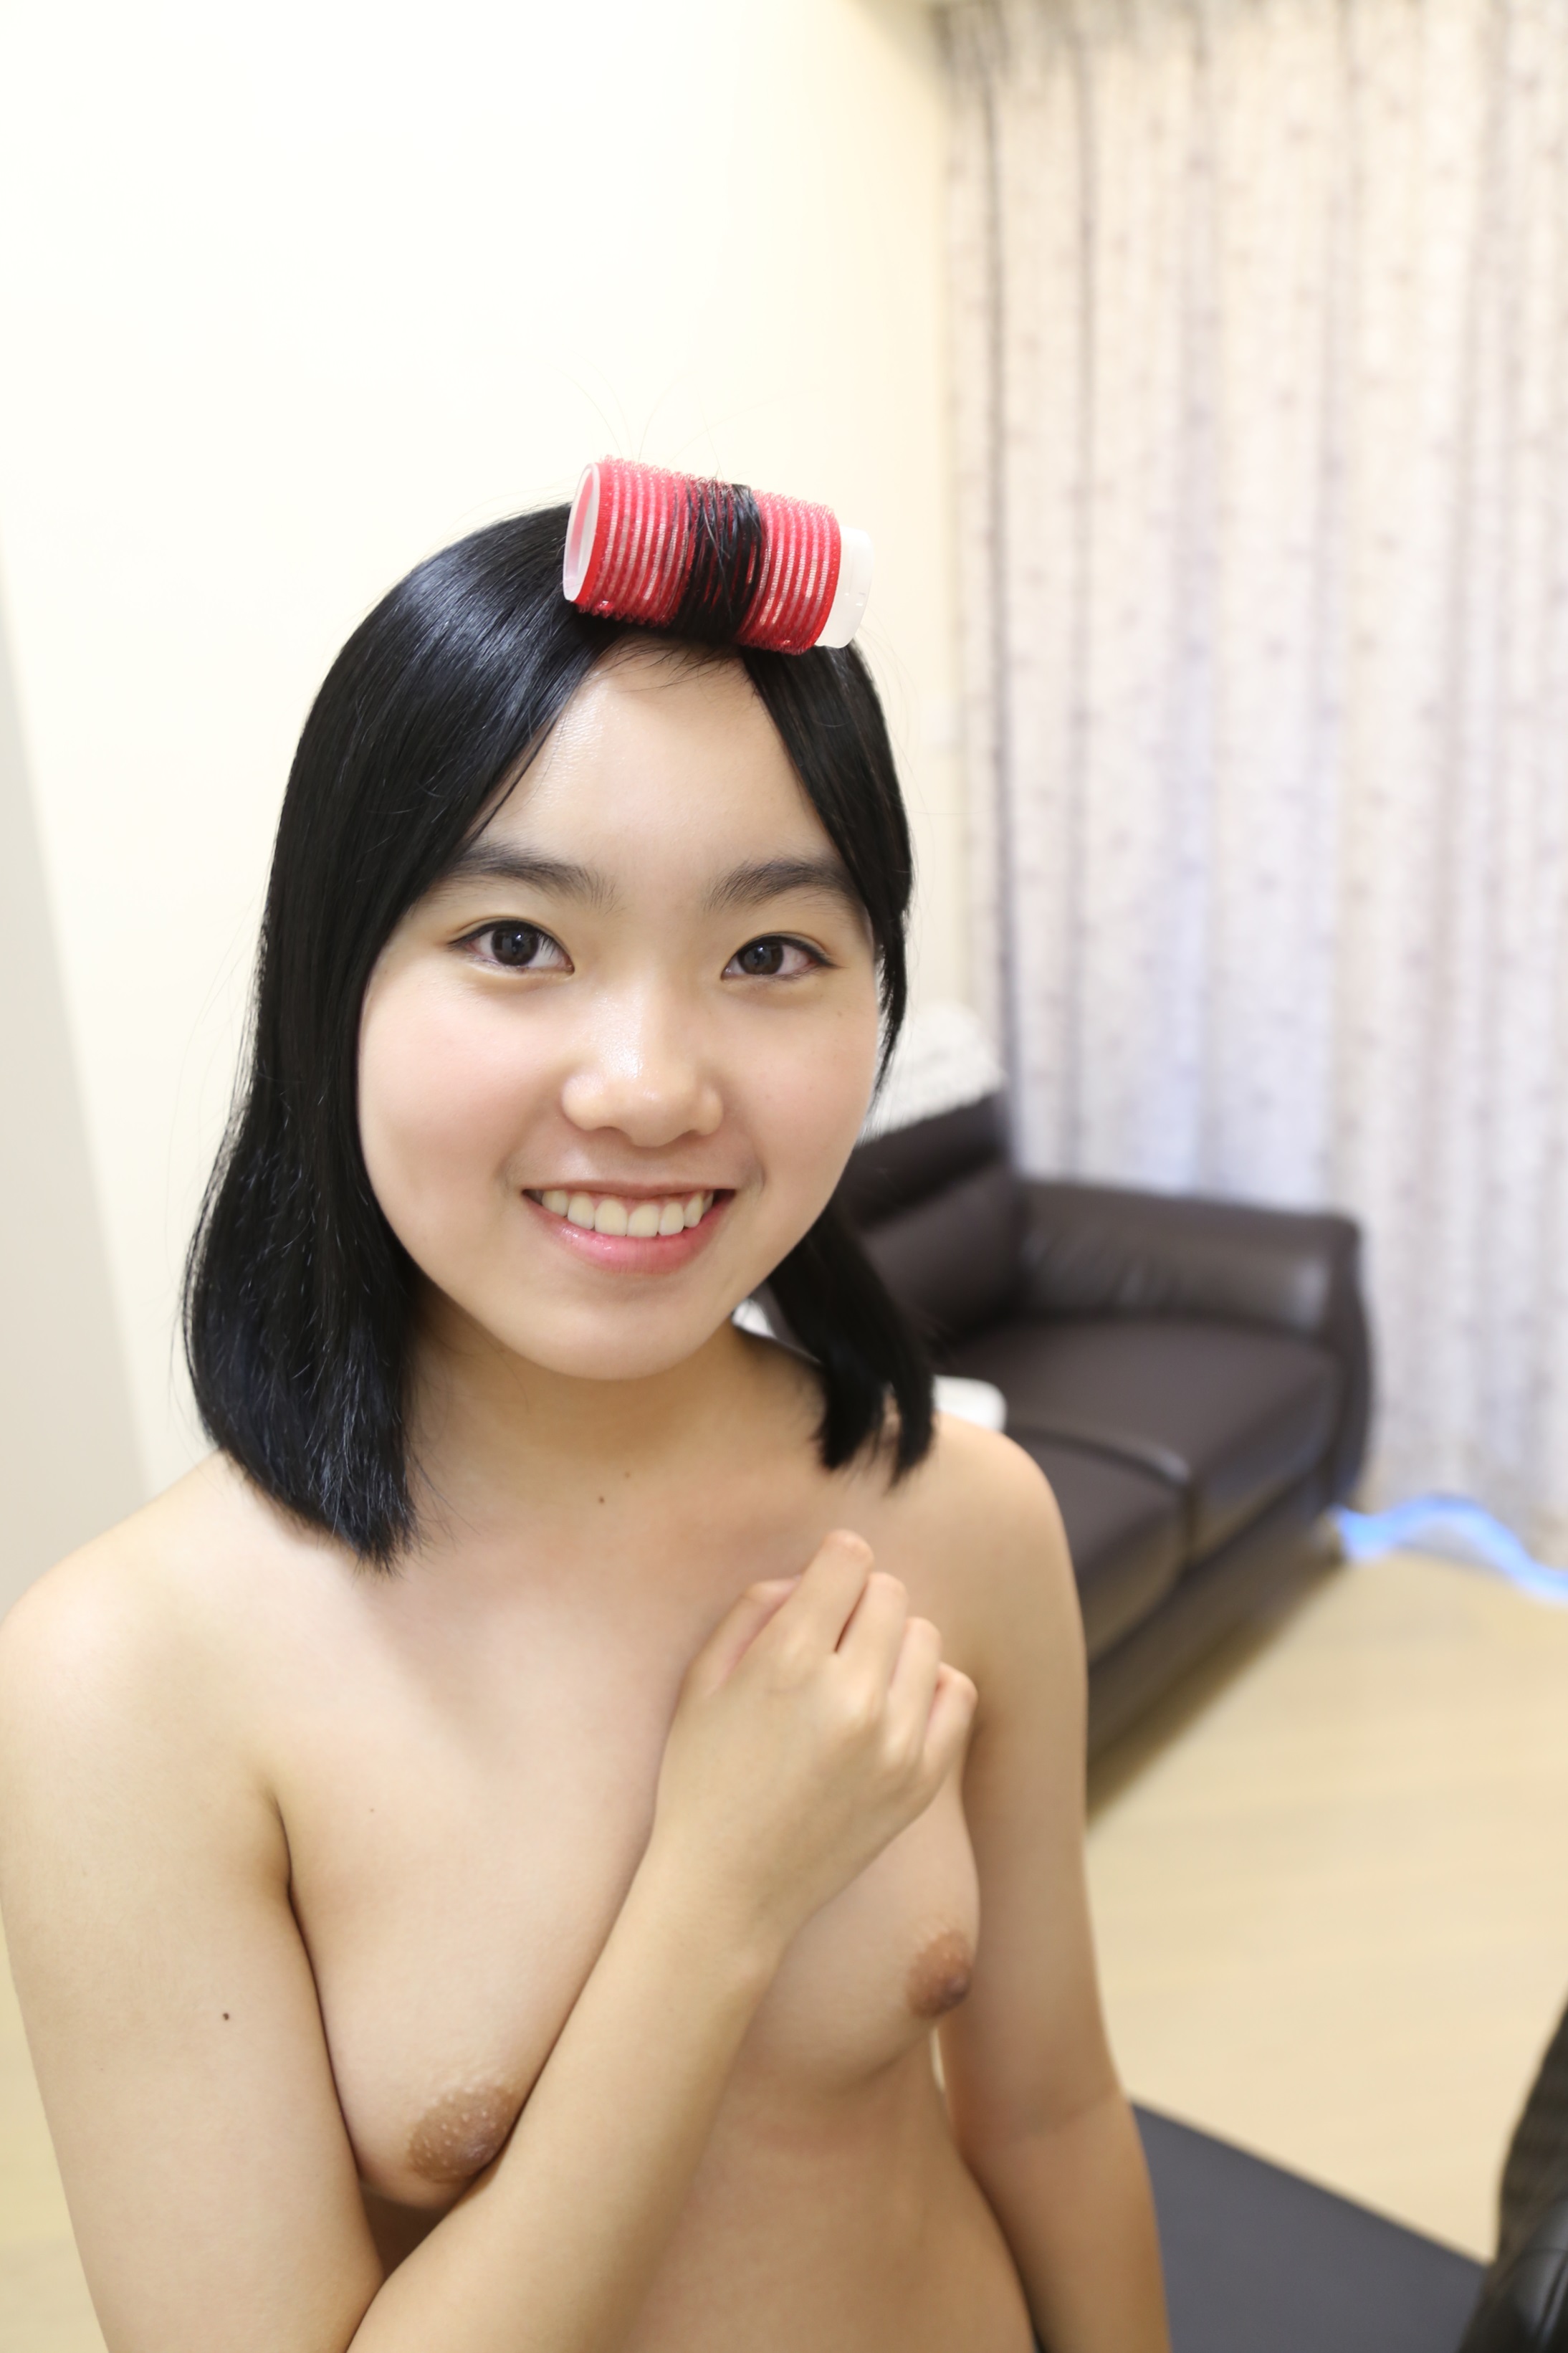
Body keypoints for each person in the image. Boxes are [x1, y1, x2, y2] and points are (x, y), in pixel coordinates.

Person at [0, 497, 1170, 2353]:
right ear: (334, 985)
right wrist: (716, 1891)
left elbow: (1049, 2116)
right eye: (518, 939)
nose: (646, 1087)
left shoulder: (966, 1514)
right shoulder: (124, 1684)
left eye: (769, 954)